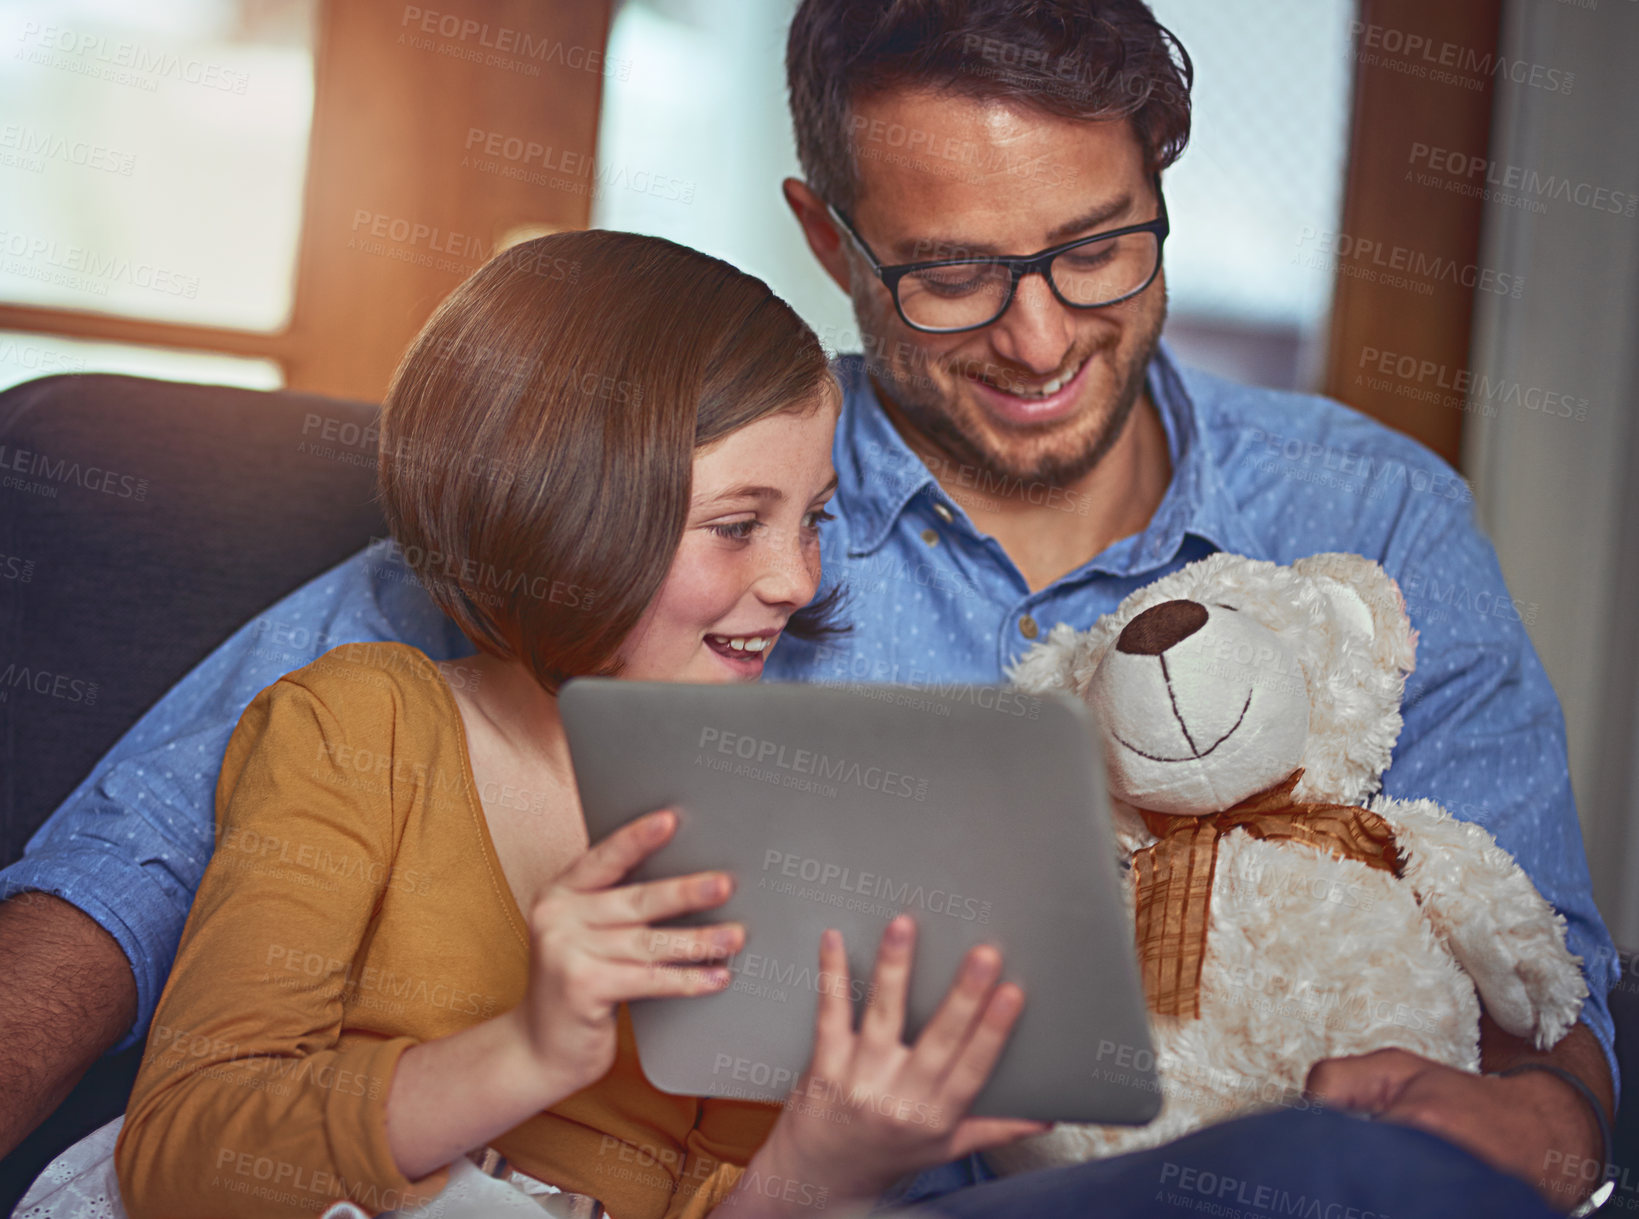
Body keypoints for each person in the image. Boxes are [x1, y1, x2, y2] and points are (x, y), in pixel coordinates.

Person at [0, 1, 1616, 1214]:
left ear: (1156, 190)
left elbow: (1548, 993)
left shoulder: (1369, 517)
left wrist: (1551, 1129)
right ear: (822, 235)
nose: (1040, 337)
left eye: (1095, 248)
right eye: (951, 273)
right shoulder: (668, 507)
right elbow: (142, 846)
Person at [102, 229, 1044, 1219]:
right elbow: (180, 1156)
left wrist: (824, 1154)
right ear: (560, 512)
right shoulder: (364, 732)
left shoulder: (786, 810)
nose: (795, 579)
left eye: (813, 518)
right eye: (735, 526)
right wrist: (528, 1050)